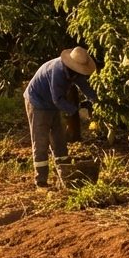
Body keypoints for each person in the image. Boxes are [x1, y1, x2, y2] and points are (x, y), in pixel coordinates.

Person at [24, 47, 99, 189]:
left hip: (52, 104)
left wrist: (97, 102)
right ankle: (41, 181)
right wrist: (76, 111)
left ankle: (64, 176)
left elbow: (86, 88)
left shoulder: (76, 72)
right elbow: (57, 99)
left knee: (59, 140)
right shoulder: (57, 71)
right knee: (41, 141)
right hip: (37, 103)